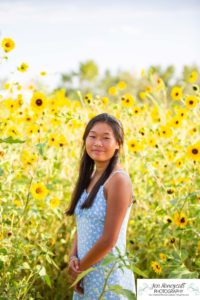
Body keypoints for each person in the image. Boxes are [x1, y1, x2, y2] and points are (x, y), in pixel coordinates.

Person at [65, 113, 136, 299]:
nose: (97, 143)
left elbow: (109, 239)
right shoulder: (89, 178)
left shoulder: (118, 180)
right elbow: (82, 223)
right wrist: (73, 257)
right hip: (86, 272)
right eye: (92, 136)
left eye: (106, 138)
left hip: (108, 278)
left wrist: (80, 269)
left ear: (118, 144)